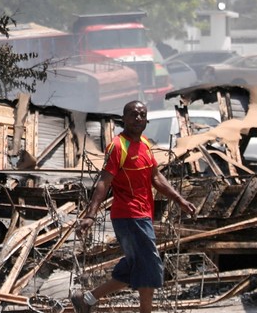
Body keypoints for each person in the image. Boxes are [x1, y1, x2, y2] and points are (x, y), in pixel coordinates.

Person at [71, 100, 195, 313]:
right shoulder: (118, 146)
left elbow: (155, 176)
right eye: (133, 114)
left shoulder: (144, 143)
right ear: (124, 119)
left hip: (143, 214)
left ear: (146, 120)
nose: (138, 118)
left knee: (135, 265)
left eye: (142, 115)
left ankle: (87, 299)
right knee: (150, 266)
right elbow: (104, 181)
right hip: (129, 216)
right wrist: (91, 215)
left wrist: (179, 199)